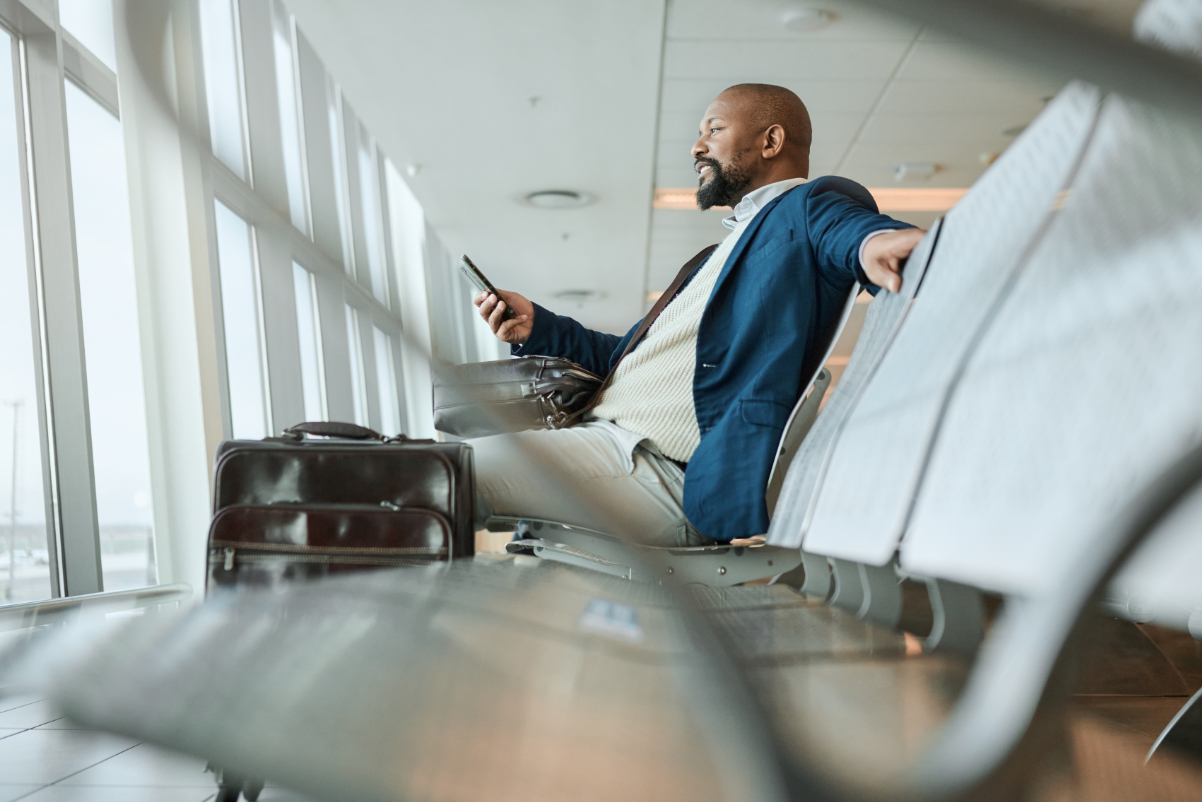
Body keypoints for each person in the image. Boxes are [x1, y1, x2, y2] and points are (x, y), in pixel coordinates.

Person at [470, 83, 926, 546]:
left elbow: (843, 228)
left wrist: (874, 243)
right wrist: (538, 326)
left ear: (770, 142)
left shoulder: (803, 210)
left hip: (653, 466)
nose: (696, 146)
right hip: (608, 445)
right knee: (431, 480)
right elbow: (622, 360)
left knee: (441, 474)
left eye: (714, 129)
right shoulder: (717, 257)